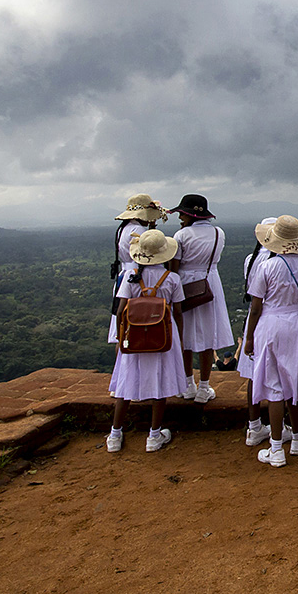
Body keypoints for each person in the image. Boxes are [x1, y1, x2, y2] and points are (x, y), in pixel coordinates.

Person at [243, 215, 298, 467]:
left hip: (270, 323)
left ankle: (276, 449)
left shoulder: (266, 267)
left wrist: (249, 338)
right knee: (295, 382)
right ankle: (297, 437)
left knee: (274, 386)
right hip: (297, 322)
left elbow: (255, 307)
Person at [106, 229, 187, 453]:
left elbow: (121, 309)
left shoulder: (131, 275)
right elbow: (178, 311)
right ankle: (154, 434)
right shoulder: (172, 278)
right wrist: (179, 334)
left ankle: (115, 434)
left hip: (134, 336)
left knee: (125, 384)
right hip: (162, 335)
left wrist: (123, 335)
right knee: (160, 384)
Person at [168, 194, 234, 404]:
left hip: (185, 283)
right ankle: (204, 387)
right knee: (208, 336)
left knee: (184, 334)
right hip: (209, 282)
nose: (180, 218)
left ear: (189, 215)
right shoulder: (218, 233)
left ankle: (188, 384)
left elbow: (174, 267)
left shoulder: (181, 235)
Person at [108, 194, 168, 345]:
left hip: (125, 274)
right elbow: (148, 252)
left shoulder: (123, 229)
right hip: (138, 275)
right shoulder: (138, 230)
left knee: (122, 323)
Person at [238, 217, 277, 447]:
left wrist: (249, 335)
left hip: (255, 320)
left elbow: (254, 302)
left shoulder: (250, 260)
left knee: (254, 373)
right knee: (281, 374)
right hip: (278, 318)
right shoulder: (282, 260)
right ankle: (284, 427)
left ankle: (254, 426)